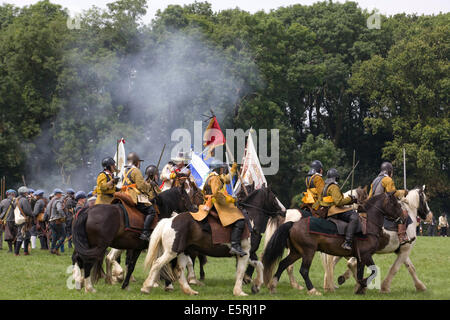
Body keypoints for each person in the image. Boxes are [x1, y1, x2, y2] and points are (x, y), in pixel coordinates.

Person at [195, 160, 247, 256]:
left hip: (215, 202)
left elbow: (226, 179)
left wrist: (233, 169)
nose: (223, 170)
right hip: (216, 203)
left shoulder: (214, 176)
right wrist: (229, 199)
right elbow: (216, 194)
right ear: (219, 169)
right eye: (222, 168)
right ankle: (235, 245)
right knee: (239, 219)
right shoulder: (214, 178)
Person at [368, 162, 409, 244]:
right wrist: (403, 192)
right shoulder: (387, 179)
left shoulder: (375, 180)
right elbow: (392, 193)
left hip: (373, 206)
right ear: (389, 171)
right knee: (403, 211)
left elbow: (370, 196)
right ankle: (402, 237)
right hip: (383, 205)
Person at [121, 152, 158, 241]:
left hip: (124, 194)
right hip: (133, 195)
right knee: (151, 211)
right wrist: (150, 185)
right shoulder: (136, 171)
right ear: (136, 162)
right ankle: (145, 233)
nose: (139, 164)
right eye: (139, 162)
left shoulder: (125, 171)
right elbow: (141, 186)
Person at [319, 168, 358, 250]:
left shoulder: (326, 186)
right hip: (334, 211)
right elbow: (338, 202)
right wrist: (350, 199)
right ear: (336, 177)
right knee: (354, 217)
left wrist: (349, 201)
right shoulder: (334, 187)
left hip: (328, 209)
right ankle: (348, 242)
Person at [44, 189, 66, 255]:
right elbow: (59, 209)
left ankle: (52, 250)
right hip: (57, 221)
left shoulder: (49, 202)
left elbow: (46, 213)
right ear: (58, 194)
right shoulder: (57, 201)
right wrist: (63, 216)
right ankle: (55, 249)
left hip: (51, 221)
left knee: (54, 236)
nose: (61, 195)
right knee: (63, 235)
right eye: (60, 194)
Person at [14, 186, 34, 256]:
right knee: (21, 235)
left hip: (19, 219)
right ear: (24, 193)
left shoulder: (16, 199)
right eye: (26, 192)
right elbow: (28, 211)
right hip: (24, 220)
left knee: (27, 235)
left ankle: (26, 251)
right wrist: (32, 215)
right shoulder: (24, 200)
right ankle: (16, 252)